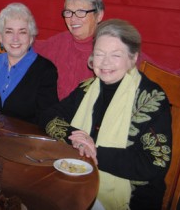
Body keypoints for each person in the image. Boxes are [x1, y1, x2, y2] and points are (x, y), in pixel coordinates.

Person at [39, 19, 172, 210]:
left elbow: (156, 163)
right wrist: (75, 137)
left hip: (133, 201)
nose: (105, 62)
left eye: (115, 55)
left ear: (133, 58)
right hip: (79, 186)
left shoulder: (151, 99)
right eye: (99, 54)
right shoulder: (87, 89)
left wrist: (96, 152)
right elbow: (48, 115)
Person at [34, 0, 180, 100]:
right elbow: (28, 47)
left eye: (81, 12)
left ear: (99, 15)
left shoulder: (112, 44)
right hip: (60, 120)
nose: (73, 19)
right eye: (68, 12)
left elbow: (157, 73)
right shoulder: (58, 43)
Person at [0, 3, 58, 123]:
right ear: (0, 37)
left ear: (31, 37)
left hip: (24, 140)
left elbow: (47, 119)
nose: (15, 38)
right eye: (9, 31)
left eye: (22, 32)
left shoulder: (45, 70)